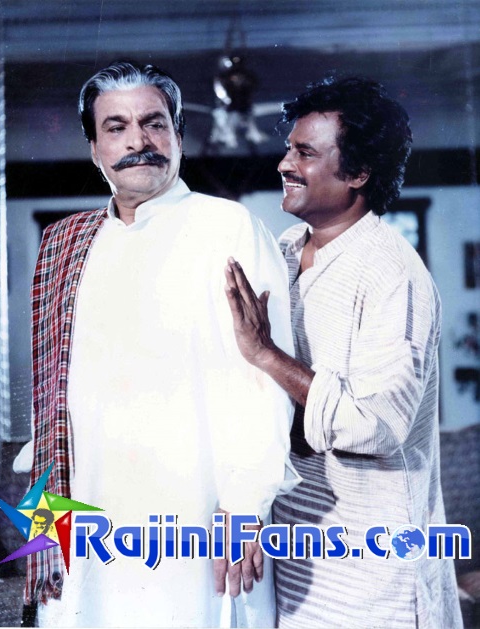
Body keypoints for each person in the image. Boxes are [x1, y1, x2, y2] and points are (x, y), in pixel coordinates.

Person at [19, 60, 299, 628]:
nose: (138, 141)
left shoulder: (227, 228)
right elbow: (50, 400)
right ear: (94, 149)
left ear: (178, 136)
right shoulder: (68, 245)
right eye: (116, 127)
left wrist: (246, 507)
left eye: (154, 123)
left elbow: (262, 385)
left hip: (198, 515)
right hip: (86, 512)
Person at [224, 76, 463, 628]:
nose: (284, 163)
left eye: (305, 153)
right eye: (289, 148)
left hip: (378, 582)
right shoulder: (284, 252)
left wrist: (266, 353)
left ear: (358, 174)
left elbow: (375, 426)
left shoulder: (393, 273)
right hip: (299, 564)